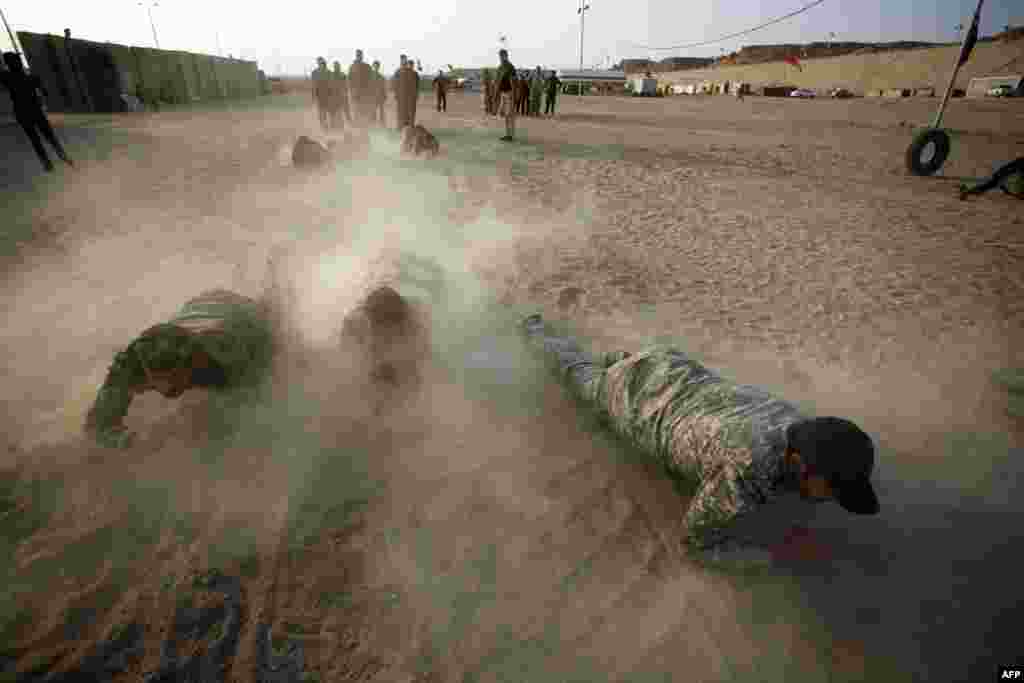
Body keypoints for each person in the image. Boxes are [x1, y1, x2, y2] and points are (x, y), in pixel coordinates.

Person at [520, 314, 880, 561]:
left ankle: (611, 360)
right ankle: (531, 330)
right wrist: (760, 561)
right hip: (637, 401)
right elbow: (696, 541)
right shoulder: (749, 468)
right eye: (831, 489)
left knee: (611, 365)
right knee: (577, 371)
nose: (832, 498)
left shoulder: (797, 423)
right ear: (800, 464)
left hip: (668, 365)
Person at [1, 51, 73, 172]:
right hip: (30, 111)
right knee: (45, 136)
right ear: (12, 63)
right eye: (16, 60)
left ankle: (50, 161)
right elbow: (44, 91)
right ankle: (57, 158)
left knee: (38, 139)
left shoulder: (10, 77)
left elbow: (43, 90)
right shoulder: (23, 77)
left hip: (25, 112)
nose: (19, 62)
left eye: (18, 60)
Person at [959, 156, 1024, 200]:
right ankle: (968, 192)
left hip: (1003, 177)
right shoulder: (1020, 163)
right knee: (989, 185)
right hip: (1003, 177)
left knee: (989, 185)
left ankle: (968, 192)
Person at [495, 49, 518, 141]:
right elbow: (497, 81)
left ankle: (510, 135)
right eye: (500, 56)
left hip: (509, 93)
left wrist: (514, 93)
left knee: (509, 115)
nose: (501, 57)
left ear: (506, 56)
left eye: (502, 55)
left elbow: (514, 81)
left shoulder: (510, 67)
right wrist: (496, 93)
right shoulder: (500, 67)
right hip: (503, 93)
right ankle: (507, 134)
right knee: (504, 114)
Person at [348, 49, 375, 126]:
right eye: (358, 55)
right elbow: (349, 80)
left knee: (365, 111)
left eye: (360, 55)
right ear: (356, 56)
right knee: (356, 111)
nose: (359, 57)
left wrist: (370, 91)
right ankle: (358, 126)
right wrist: (351, 91)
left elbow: (371, 79)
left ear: (362, 56)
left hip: (365, 93)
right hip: (356, 93)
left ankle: (365, 126)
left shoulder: (367, 66)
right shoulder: (352, 67)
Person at [311, 56, 332, 131]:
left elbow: (331, 84)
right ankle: (324, 127)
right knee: (321, 113)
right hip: (319, 96)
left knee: (328, 112)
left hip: (328, 95)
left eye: (322, 62)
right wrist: (313, 96)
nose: (321, 64)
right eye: (319, 62)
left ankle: (328, 126)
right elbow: (313, 85)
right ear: (318, 63)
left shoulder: (328, 72)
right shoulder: (314, 73)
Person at [328, 60, 350, 130]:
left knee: (343, 112)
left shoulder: (342, 75)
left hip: (341, 96)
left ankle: (342, 126)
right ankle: (333, 126)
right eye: (335, 66)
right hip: (333, 96)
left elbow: (346, 85)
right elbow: (329, 86)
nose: (336, 67)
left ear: (339, 67)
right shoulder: (331, 75)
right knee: (333, 113)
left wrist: (345, 94)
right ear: (334, 67)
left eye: (337, 66)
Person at [372, 60, 387, 127]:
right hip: (372, 97)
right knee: (373, 112)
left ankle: (382, 125)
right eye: (375, 66)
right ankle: (373, 125)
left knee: (381, 113)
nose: (376, 67)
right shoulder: (370, 76)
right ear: (373, 66)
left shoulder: (381, 77)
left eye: (377, 66)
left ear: (378, 67)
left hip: (380, 97)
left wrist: (384, 96)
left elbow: (383, 88)